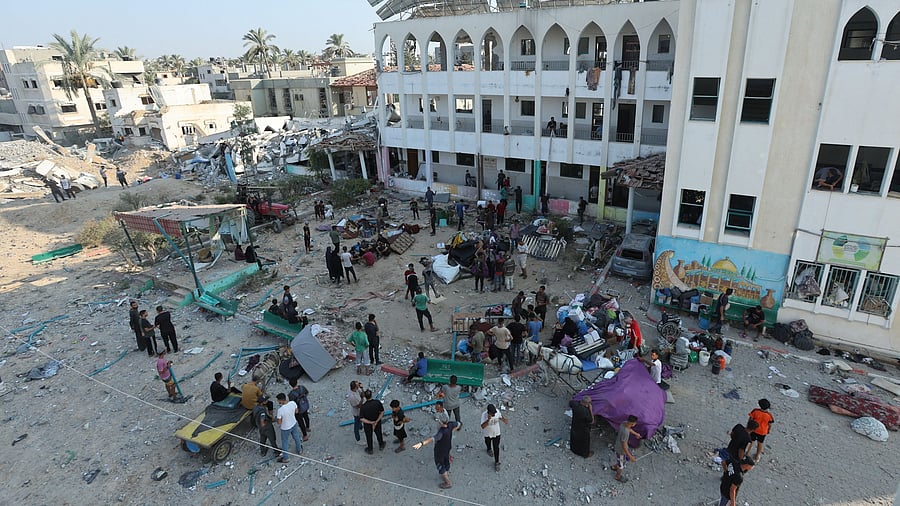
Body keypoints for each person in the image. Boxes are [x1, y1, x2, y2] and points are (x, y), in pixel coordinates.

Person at [413, 417, 461, 489]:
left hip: (439, 452)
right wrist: (451, 432)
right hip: (447, 448)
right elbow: (459, 424)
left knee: (440, 466)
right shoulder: (451, 424)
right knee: (446, 461)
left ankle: (448, 482)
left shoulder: (441, 432)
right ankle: (447, 472)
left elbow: (432, 439)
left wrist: (421, 443)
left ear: (441, 422)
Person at [612, 415, 641, 482]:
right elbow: (624, 446)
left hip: (618, 445)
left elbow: (629, 429)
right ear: (632, 423)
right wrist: (630, 456)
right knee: (621, 465)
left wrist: (636, 434)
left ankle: (614, 467)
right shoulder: (625, 432)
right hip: (621, 450)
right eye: (635, 423)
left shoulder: (624, 423)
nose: (635, 424)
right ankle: (617, 476)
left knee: (621, 460)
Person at [275, 393, 302, 462]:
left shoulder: (280, 410)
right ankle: (299, 450)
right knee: (296, 437)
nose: (278, 402)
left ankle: (286, 458)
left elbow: (279, 422)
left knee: (285, 442)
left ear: (281, 400)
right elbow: (296, 411)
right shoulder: (292, 403)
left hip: (285, 428)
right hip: (293, 423)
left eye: (278, 400)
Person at [480, 403, 508, 471]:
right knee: (488, 442)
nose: (494, 415)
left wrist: (504, 420)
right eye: (493, 414)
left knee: (496, 447)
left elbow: (500, 416)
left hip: (496, 433)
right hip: (488, 434)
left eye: (494, 413)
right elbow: (482, 426)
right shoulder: (484, 415)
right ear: (488, 412)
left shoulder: (497, 412)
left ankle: (497, 462)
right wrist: (488, 420)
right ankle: (489, 449)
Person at [360, 389, 386, 455]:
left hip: (368, 425)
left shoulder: (363, 407)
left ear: (365, 397)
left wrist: (371, 422)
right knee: (379, 433)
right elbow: (382, 412)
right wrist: (376, 421)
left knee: (369, 437)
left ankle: (370, 449)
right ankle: (381, 445)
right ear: (371, 395)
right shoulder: (377, 402)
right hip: (377, 422)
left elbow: (362, 418)